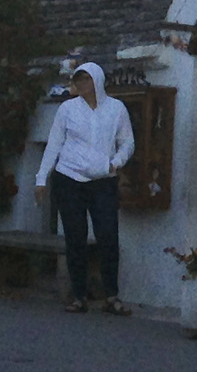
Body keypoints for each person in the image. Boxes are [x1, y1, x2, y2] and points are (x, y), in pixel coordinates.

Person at [34, 62, 134, 315]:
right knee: (75, 237)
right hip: (69, 179)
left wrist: (116, 163)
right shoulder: (67, 109)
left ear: (97, 81)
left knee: (108, 236)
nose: (81, 84)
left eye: (86, 79)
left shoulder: (116, 109)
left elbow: (127, 142)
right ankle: (79, 296)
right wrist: (41, 178)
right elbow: (54, 144)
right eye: (78, 80)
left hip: (103, 180)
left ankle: (111, 295)